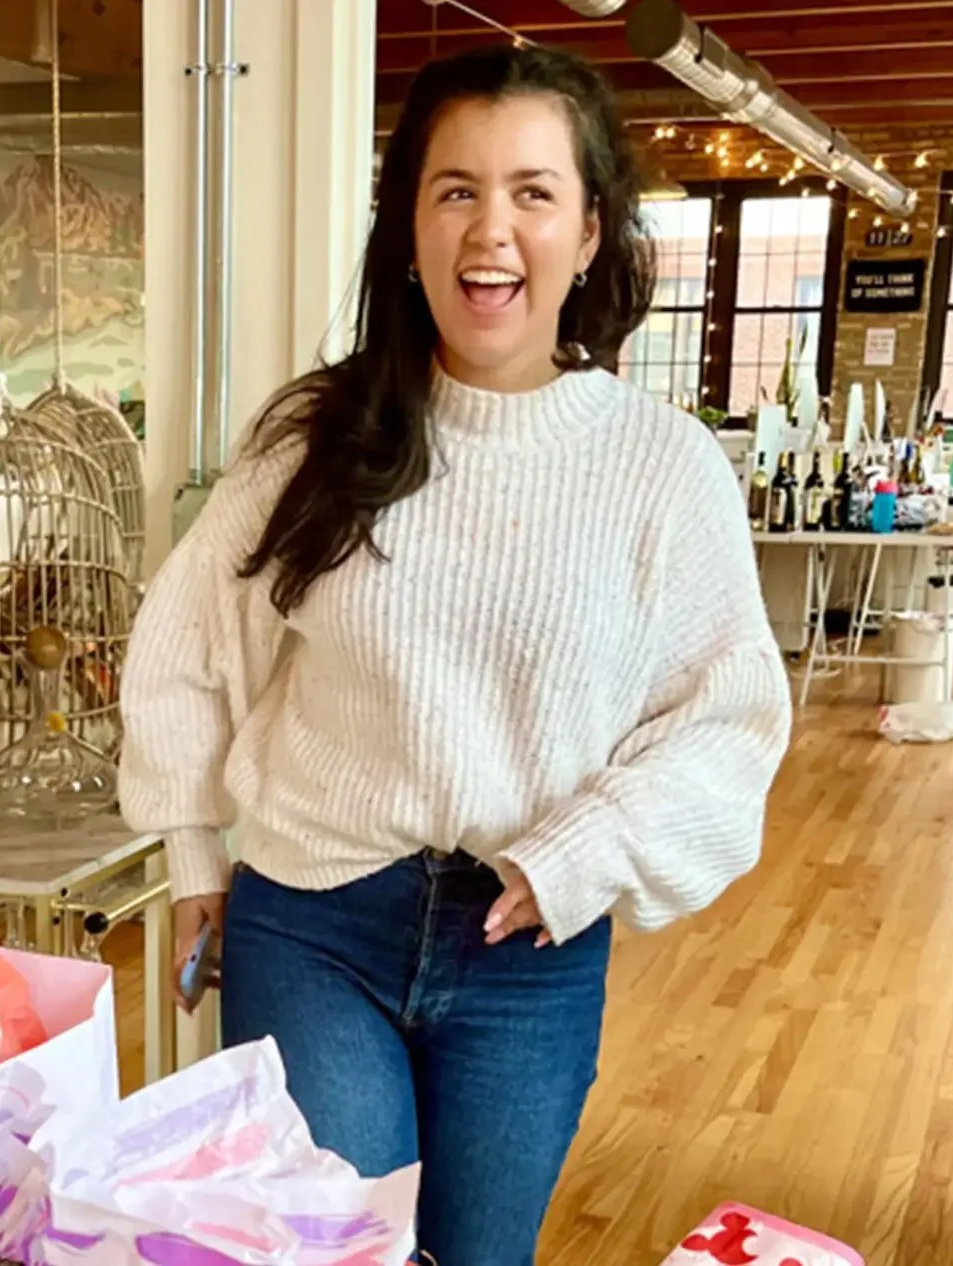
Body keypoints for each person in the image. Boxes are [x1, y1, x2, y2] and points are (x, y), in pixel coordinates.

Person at [118, 41, 792, 1266]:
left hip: (526, 946)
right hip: (313, 923)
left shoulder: (663, 470)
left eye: (535, 191)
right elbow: (184, 638)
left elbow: (728, 720)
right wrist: (191, 857)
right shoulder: (322, 439)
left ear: (590, 233)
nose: (493, 229)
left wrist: (584, 852)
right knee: (332, 1255)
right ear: (412, 228)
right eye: (457, 190)